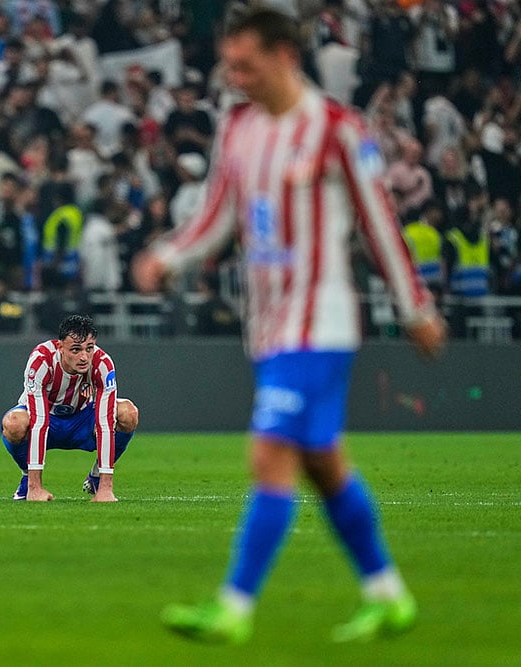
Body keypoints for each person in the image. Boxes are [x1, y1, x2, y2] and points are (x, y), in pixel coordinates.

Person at [132, 7, 447, 644]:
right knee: (324, 465)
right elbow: (218, 216)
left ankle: (234, 606)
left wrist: (414, 308)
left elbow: (378, 223)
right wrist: (169, 254)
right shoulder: (239, 128)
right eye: (230, 64)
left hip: (321, 321)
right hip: (269, 326)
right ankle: (387, 593)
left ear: (284, 56)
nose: (235, 76)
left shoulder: (337, 129)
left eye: (246, 64)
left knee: (269, 450)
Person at [1, 314, 139, 502]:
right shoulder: (41, 360)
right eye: (75, 350)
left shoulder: (102, 363)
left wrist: (106, 488)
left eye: (89, 348)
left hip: (82, 420)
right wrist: (36, 488)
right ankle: (27, 479)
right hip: (43, 420)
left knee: (128, 413)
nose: (84, 357)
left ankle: (97, 478)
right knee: (15, 423)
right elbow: (39, 421)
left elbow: (105, 422)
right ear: (60, 347)